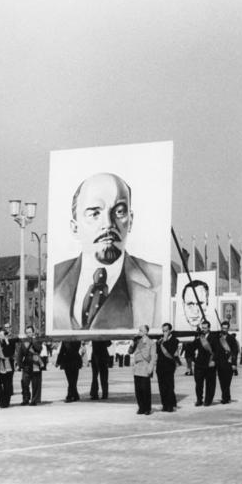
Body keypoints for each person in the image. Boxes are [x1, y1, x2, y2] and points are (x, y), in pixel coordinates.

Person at [53, 173, 163, 330]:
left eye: (119, 212)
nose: (108, 224)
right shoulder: (55, 277)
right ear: (75, 228)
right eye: (94, 213)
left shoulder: (159, 280)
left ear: (130, 221)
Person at [129, 325, 157, 415]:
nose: (139, 332)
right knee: (138, 390)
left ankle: (147, 408)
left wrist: (151, 368)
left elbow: (153, 357)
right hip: (137, 367)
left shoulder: (151, 343)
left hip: (145, 366)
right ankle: (141, 407)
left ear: (146, 332)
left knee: (145, 389)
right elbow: (130, 352)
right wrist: (132, 344)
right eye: (139, 330)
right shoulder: (137, 341)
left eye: (141, 330)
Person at [191, 320, 218, 406]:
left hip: (210, 363)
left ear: (209, 328)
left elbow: (217, 351)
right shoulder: (199, 337)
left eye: (205, 328)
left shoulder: (214, 337)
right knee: (198, 384)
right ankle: (199, 400)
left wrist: (214, 360)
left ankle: (208, 400)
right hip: (199, 364)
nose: (203, 329)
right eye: (202, 328)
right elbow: (190, 348)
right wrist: (194, 359)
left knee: (210, 384)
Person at [16, 326, 43, 406]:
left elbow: (39, 349)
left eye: (30, 332)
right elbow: (20, 354)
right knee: (24, 382)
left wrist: (33, 340)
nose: (28, 334)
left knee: (35, 383)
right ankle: (26, 399)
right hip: (26, 364)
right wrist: (19, 364)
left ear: (33, 332)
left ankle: (34, 400)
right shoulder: (23, 342)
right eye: (27, 332)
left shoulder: (37, 340)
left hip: (35, 364)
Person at [156, 322, 179, 412]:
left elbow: (170, 352)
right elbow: (157, 351)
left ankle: (170, 405)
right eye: (163, 331)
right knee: (162, 386)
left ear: (170, 330)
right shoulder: (159, 340)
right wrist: (160, 343)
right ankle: (164, 405)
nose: (164, 332)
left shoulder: (174, 340)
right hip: (160, 366)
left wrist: (165, 341)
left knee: (169, 386)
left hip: (169, 366)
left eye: (166, 330)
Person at [214, 321, 239, 403]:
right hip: (220, 363)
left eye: (226, 328)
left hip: (229, 363)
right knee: (222, 381)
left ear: (228, 328)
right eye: (223, 328)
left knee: (227, 381)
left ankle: (225, 398)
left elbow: (235, 351)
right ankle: (226, 397)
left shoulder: (231, 338)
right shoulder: (218, 337)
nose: (224, 329)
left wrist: (234, 364)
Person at [0, 326, 16, 408]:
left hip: (8, 367)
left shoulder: (11, 343)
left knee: (7, 385)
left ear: (5, 336)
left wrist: (6, 342)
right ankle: (1, 398)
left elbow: (9, 353)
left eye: (1, 335)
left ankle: (5, 402)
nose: (0, 337)